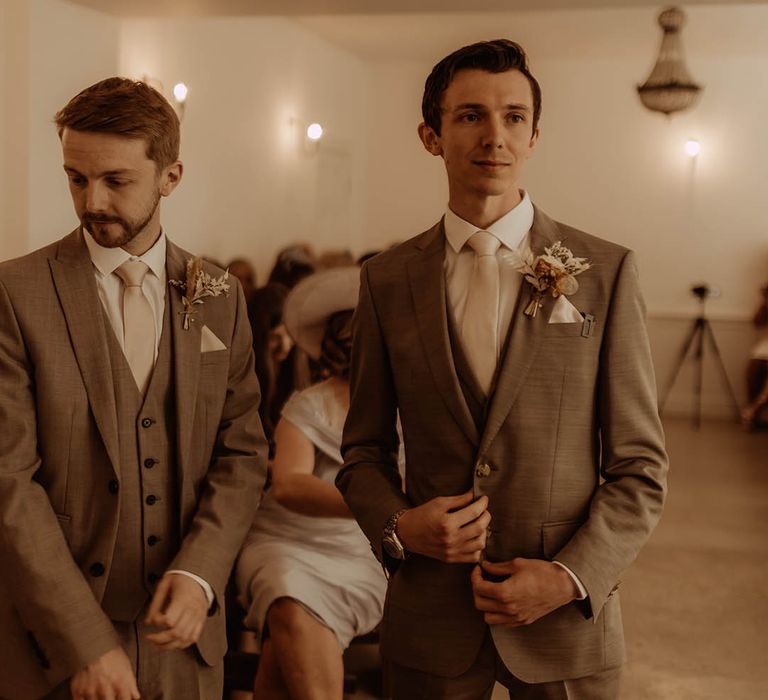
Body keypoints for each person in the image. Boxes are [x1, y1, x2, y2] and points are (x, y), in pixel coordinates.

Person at [338, 39, 668, 699]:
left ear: (535, 134)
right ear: (431, 136)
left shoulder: (606, 272)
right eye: (470, 116)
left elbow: (640, 468)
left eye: (514, 117)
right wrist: (401, 526)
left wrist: (569, 576)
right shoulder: (386, 280)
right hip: (431, 618)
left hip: (565, 622)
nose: (495, 135)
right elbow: (362, 452)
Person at [0, 78, 268, 700]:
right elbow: (9, 479)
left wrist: (202, 573)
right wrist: (83, 639)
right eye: (75, 178)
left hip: (184, 641)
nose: (92, 200)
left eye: (116, 181)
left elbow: (244, 454)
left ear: (170, 177)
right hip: (52, 646)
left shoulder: (219, 296)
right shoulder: (15, 295)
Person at [236, 267, 388, 700]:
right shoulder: (309, 405)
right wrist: (378, 503)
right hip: (284, 541)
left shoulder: (407, 410)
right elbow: (289, 486)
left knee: (283, 641)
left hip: (362, 551)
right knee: (287, 590)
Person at [741, 282, 768, 429]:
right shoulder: (764, 308)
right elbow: (757, 322)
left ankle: (753, 410)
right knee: (753, 370)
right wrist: (765, 302)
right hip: (763, 349)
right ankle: (753, 409)